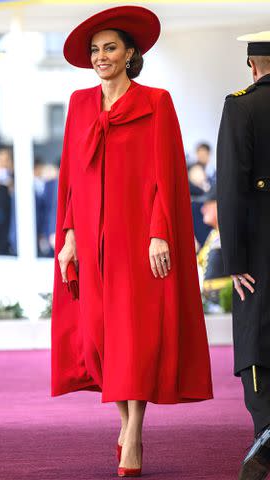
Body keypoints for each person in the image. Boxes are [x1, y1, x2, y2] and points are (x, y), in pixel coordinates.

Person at [51, 6, 213, 478]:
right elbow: (70, 179)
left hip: (136, 238)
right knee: (100, 335)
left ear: (129, 54)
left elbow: (167, 176)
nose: (101, 56)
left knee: (134, 337)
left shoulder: (157, 102)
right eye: (96, 50)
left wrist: (160, 233)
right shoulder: (79, 104)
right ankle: (123, 422)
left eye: (110, 48)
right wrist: (70, 237)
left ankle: (135, 434)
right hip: (91, 236)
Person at [217, 30, 270, 480]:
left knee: (257, 339)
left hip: (260, 249)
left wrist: (233, 260)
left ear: (252, 66)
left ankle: (267, 432)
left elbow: (231, 189)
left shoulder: (242, 105)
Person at [197, 183, 231, 311]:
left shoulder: (229, 233)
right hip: (209, 301)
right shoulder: (213, 234)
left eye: (207, 204)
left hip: (224, 300)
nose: (203, 209)